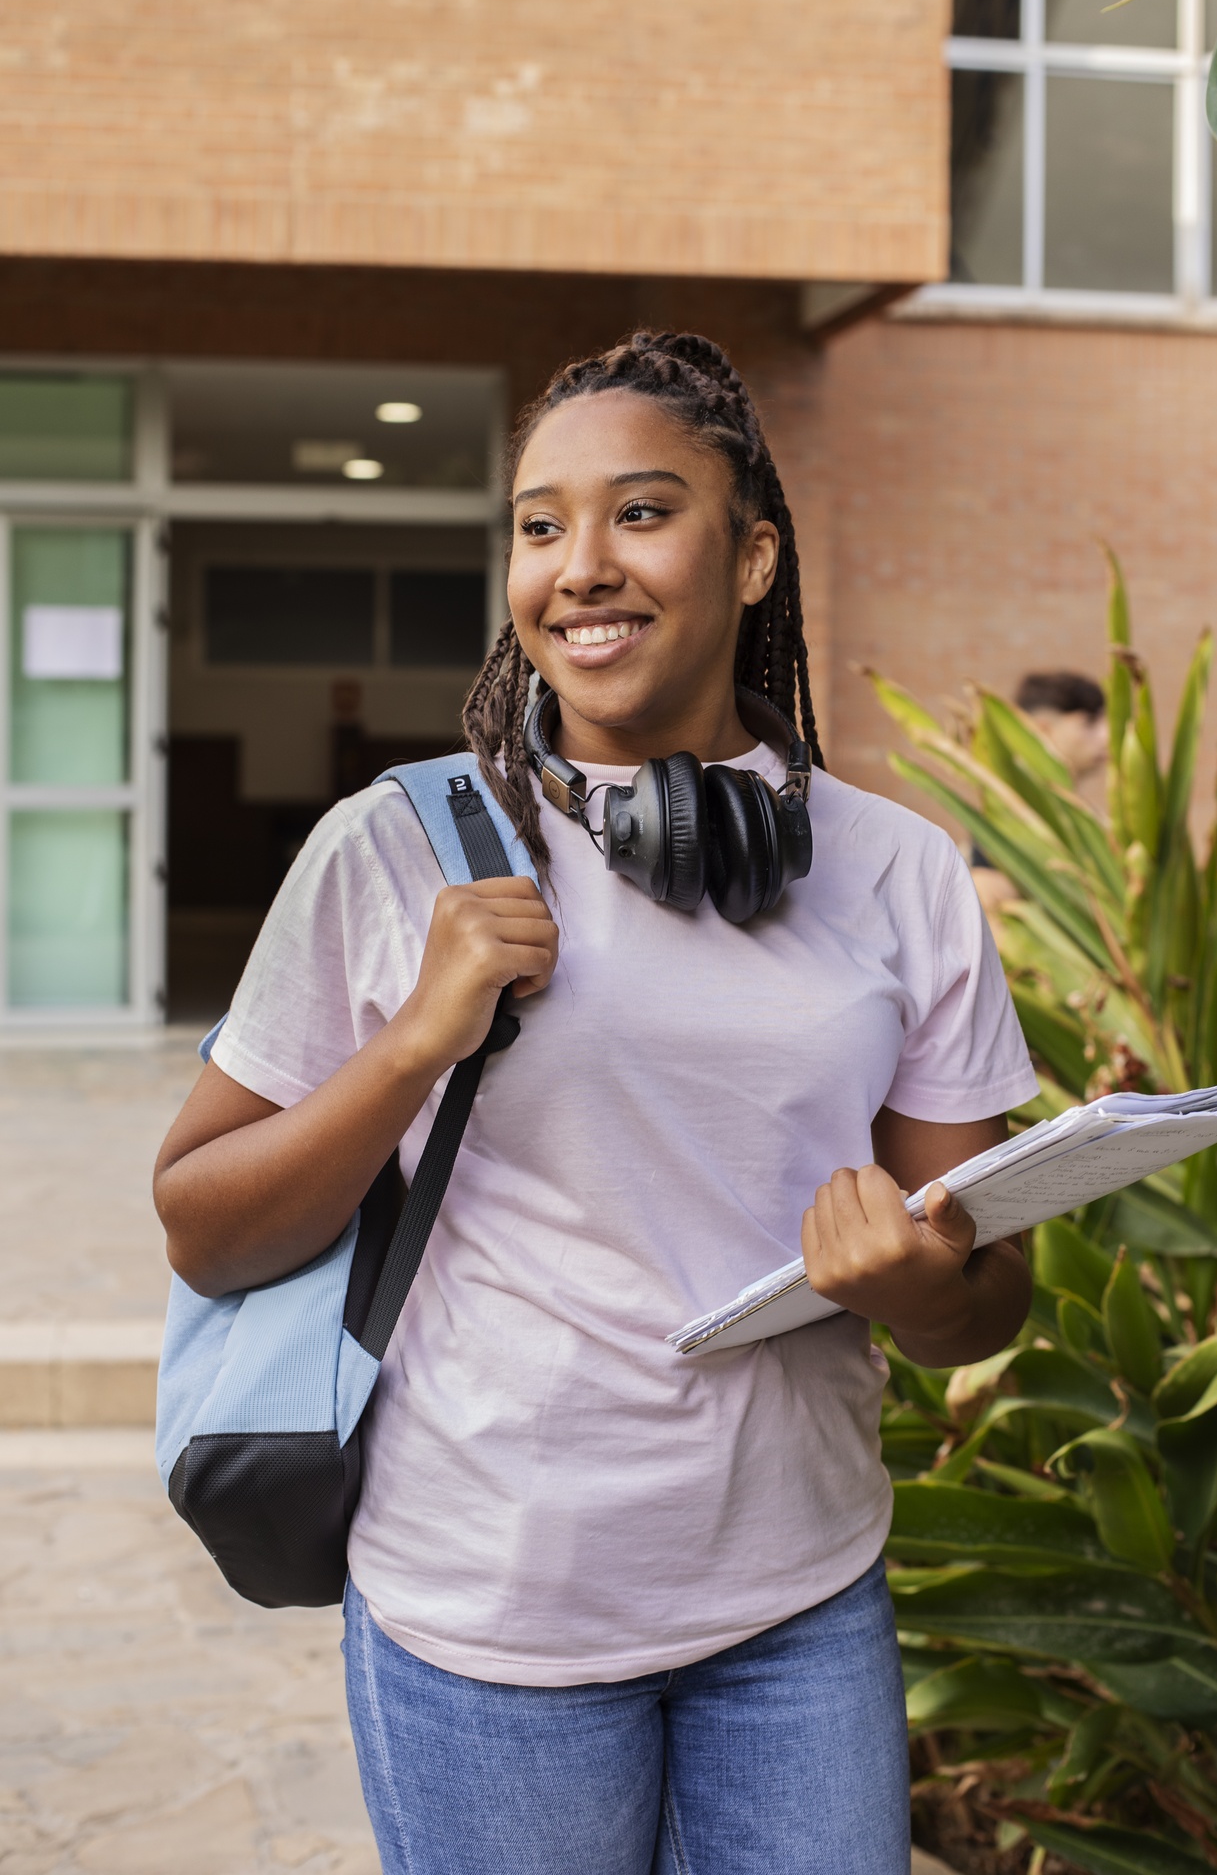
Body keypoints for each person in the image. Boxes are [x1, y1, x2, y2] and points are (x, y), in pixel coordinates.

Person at [153, 332, 1040, 1875]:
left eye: (639, 513)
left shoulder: (896, 873)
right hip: (488, 1609)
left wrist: (924, 1285)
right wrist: (413, 1044)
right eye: (538, 524)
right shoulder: (394, 850)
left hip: (797, 1600)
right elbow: (202, 1228)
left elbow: (987, 1298)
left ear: (754, 555)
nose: (578, 568)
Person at [973, 670, 1110, 918]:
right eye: (1089, 722)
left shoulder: (1088, 817)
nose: (1106, 736)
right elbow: (991, 900)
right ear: (1042, 729)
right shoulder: (1010, 818)